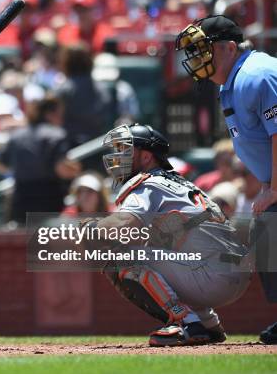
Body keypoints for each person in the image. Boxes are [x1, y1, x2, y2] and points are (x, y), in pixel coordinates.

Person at [90, 123, 252, 346]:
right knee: (158, 252)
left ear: (146, 157)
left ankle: (187, 322)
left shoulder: (147, 183)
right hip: (234, 272)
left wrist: (88, 229)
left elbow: (124, 224)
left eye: (126, 150)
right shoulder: (179, 182)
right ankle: (208, 324)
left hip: (211, 275)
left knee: (119, 257)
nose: (119, 156)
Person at [176, 14, 277, 344]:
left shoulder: (256, 75)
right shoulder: (234, 80)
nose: (197, 58)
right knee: (269, 242)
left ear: (229, 48)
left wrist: (274, 187)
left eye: (204, 49)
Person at [0, 96, 80, 224]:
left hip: (21, 202)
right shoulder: (56, 135)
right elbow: (61, 169)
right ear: (49, 114)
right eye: (59, 114)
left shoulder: (17, 136)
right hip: (49, 201)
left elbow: (0, 165)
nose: (61, 119)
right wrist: (77, 172)